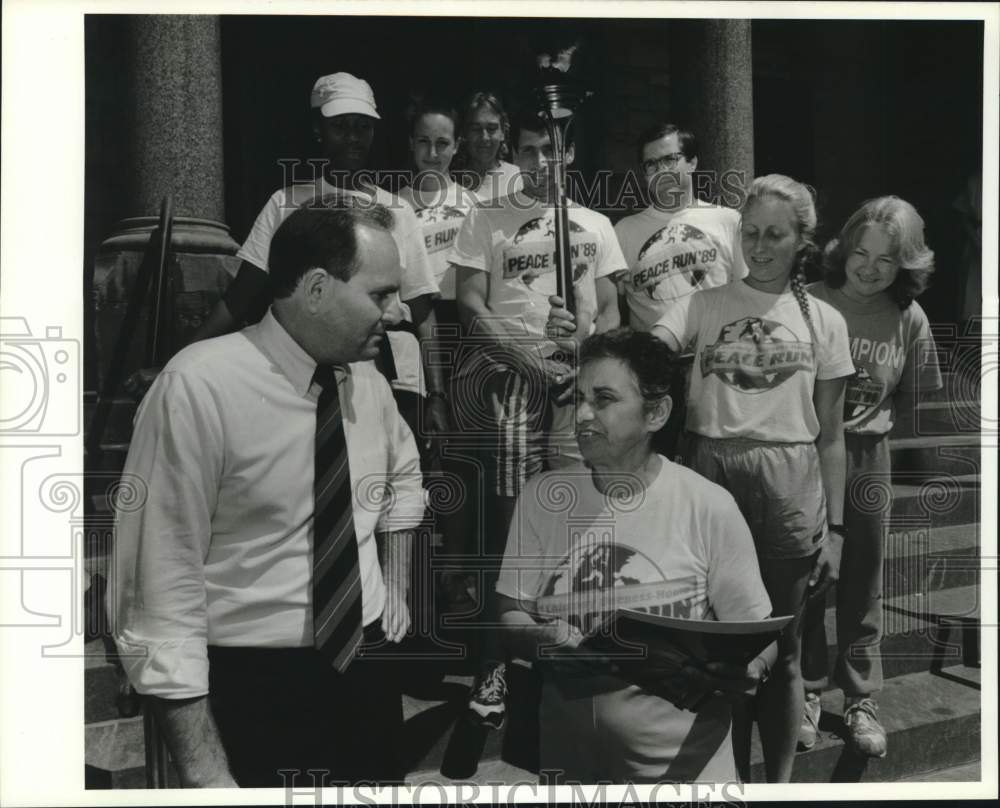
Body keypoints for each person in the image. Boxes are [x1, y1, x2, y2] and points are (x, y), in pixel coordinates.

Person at [108, 203, 425, 787]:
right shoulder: (198, 388)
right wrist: (207, 777)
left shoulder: (370, 382)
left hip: (366, 671)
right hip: (254, 690)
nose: (398, 311)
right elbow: (159, 588)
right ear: (315, 289)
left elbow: (404, 477)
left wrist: (396, 578)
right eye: (381, 294)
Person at [549, 173, 853, 782]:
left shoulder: (825, 320)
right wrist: (582, 343)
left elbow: (833, 435)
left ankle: (782, 785)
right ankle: (727, 775)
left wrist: (838, 530)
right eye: (751, 233)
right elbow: (646, 355)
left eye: (775, 235)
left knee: (784, 651)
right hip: (712, 469)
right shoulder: (705, 303)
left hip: (790, 478)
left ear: (802, 242)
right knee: (718, 646)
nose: (760, 246)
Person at [495, 329, 776, 783]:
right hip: (570, 764)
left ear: (656, 413)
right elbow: (510, 614)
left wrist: (751, 670)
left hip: (684, 771)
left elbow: (759, 634)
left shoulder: (707, 505)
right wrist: (540, 640)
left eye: (604, 399)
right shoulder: (543, 496)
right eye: (579, 397)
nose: (582, 415)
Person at [449, 110, 626, 730]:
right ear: (512, 152)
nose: (541, 163)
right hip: (512, 383)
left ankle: (567, 648)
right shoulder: (486, 216)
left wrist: (583, 342)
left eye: (552, 151)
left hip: (579, 383)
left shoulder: (596, 224)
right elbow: (469, 301)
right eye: (529, 150)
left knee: (578, 522)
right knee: (508, 524)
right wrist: (522, 353)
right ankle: (493, 662)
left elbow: (609, 308)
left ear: (569, 154)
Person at [194, 72, 449, 442]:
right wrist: (181, 357)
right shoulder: (286, 204)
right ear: (318, 129)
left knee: (391, 483)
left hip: (394, 378)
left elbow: (423, 314)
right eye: (340, 126)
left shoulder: (398, 211)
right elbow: (239, 298)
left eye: (362, 127)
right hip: (307, 374)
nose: (352, 137)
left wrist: (437, 395)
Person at [800, 196, 942, 758]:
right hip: (806, 456)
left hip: (868, 460)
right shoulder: (808, 302)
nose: (869, 267)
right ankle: (808, 691)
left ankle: (860, 697)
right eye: (861, 252)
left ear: (905, 267)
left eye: (886, 261)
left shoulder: (909, 319)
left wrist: (872, 436)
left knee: (863, 580)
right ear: (843, 250)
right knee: (810, 578)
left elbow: (909, 398)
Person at [397, 100, 480, 610]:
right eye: (424, 142)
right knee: (413, 449)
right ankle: (411, 578)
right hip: (411, 331)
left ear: (456, 147)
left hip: (461, 330)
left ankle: (457, 571)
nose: (433, 153)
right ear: (411, 145)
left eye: (443, 143)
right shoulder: (393, 204)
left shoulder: (472, 205)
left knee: (458, 455)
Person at [614, 123, 746, 332]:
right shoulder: (623, 232)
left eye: (670, 160)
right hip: (651, 359)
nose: (661, 171)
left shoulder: (728, 220)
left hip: (714, 352)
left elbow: (746, 294)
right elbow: (614, 310)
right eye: (651, 164)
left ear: (692, 162)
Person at [451, 91, 523, 203]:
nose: (484, 137)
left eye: (491, 128)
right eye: (475, 129)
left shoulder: (518, 177)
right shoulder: (452, 179)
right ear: (465, 133)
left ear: (503, 132)